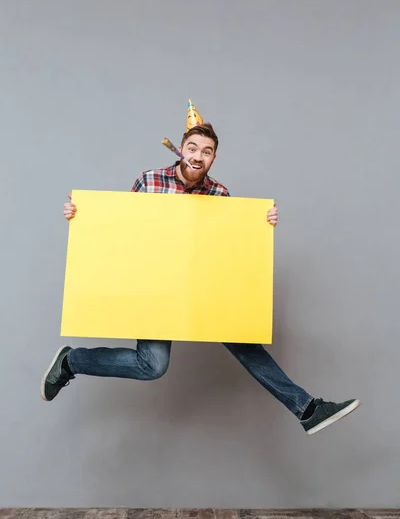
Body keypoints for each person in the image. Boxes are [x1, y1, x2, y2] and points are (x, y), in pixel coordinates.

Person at [41, 121, 360, 435]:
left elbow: (228, 246)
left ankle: (307, 410)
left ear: (213, 159)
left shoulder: (219, 194)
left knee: (245, 342)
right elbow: (121, 227)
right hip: (156, 289)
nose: (198, 155)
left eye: (207, 151)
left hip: (199, 289)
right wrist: (83, 215)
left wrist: (260, 224)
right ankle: (72, 361)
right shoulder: (150, 180)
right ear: (181, 150)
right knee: (152, 366)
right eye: (192, 148)